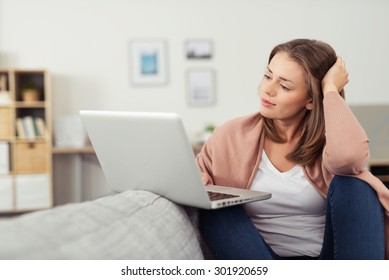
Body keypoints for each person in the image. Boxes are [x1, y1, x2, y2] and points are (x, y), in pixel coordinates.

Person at [196, 39, 389, 260]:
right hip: (260, 260)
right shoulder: (229, 135)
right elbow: (191, 178)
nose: (267, 90)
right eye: (268, 76)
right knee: (218, 209)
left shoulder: (332, 141)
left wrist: (330, 90)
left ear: (310, 100)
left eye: (284, 86)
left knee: (355, 185)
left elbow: (348, 160)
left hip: (326, 261)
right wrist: (197, 180)